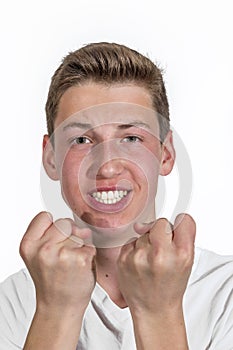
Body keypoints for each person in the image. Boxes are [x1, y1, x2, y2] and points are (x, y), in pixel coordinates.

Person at [0, 42, 233, 350]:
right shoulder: (11, 304)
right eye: (81, 139)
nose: (107, 166)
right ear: (51, 158)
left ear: (165, 153)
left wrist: (158, 313)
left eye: (131, 138)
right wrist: (56, 313)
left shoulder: (224, 293)